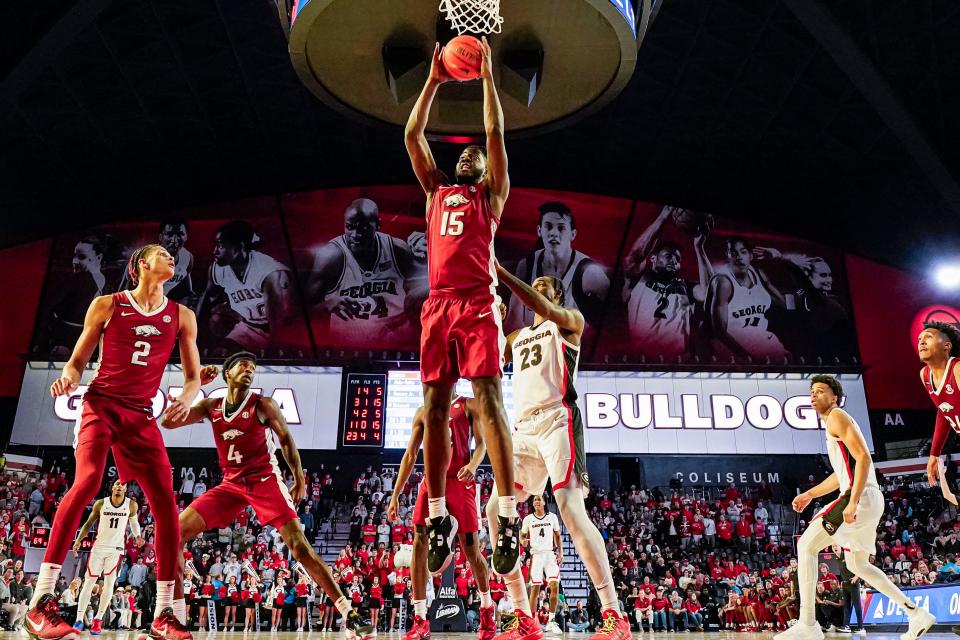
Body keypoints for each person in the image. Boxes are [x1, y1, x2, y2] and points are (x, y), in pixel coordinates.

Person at [27, 243, 201, 640]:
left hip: (141, 415)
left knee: (166, 504)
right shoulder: (108, 304)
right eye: (162, 254)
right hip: (101, 406)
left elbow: (191, 378)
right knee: (88, 481)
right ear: (141, 265)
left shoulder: (183, 316)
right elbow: (77, 359)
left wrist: (186, 400)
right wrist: (70, 377)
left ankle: (163, 615)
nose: (171, 258)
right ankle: (40, 602)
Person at [160, 351, 375, 640]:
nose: (249, 370)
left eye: (253, 367)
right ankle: (176, 618)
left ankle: (349, 613)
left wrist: (299, 479)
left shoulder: (263, 405)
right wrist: (196, 383)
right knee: (173, 532)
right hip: (231, 484)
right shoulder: (212, 405)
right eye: (242, 366)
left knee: (299, 547)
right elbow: (169, 423)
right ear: (227, 374)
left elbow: (286, 440)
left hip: (264, 481)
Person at [404, 36, 518, 576]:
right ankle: (434, 515)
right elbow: (411, 134)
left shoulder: (490, 197)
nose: (471, 152)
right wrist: (432, 80)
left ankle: (511, 513)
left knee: (489, 398)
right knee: (432, 411)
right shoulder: (434, 193)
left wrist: (489, 78)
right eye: (464, 152)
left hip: (475, 304)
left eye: (476, 154)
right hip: (438, 306)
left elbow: (494, 130)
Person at [489, 265, 631, 640]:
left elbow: (540, 305)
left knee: (570, 510)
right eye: (534, 285)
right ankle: (524, 616)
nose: (536, 289)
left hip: (558, 421)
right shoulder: (518, 336)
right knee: (493, 509)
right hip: (524, 429)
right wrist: (492, 313)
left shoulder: (569, 322)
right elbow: (489, 355)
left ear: (556, 296)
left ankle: (615, 614)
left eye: (543, 286)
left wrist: (500, 272)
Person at [775, 375, 935, 640]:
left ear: (834, 396)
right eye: (811, 392)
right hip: (870, 499)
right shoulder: (835, 424)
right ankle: (915, 613)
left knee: (806, 545)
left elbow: (863, 458)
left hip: (859, 497)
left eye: (820, 391)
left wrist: (851, 500)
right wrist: (810, 494)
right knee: (858, 565)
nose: (814, 395)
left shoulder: (837, 416)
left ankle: (808, 624)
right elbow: (842, 473)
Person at [387, 394, 496, 640]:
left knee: (472, 552)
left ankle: (487, 607)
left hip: (460, 480)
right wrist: (395, 494)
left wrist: (474, 465)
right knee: (418, 542)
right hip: (432, 481)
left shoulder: (468, 405)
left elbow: (481, 444)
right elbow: (409, 455)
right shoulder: (423, 411)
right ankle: (420, 618)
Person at [308, 198, 427, 348]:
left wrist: (428, 257)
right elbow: (305, 308)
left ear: (378, 224)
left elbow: (427, 290)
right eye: (349, 227)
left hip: (397, 347)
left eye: (363, 228)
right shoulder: (331, 255)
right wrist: (328, 304)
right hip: (349, 352)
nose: (355, 234)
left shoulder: (398, 250)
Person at [621, 206, 713, 358]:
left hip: (678, 362)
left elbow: (710, 293)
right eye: (669, 256)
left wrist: (699, 248)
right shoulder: (639, 278)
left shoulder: (685, 286)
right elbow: (634, 257)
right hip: (643, 361)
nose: (674, 261)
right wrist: (663, 217)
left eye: (678, 259)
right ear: (653, 258)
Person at [505, 202, 609, 331]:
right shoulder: (526, 265)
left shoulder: (590, 272)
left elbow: (613, 323)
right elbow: (513, 319)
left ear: (573, 234)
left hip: (571, 347)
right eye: (548, 226)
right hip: (534, 346)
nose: (554, 233)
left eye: (561, 228)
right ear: (539, 230)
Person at [196, 220, 294, 351]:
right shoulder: (218, 269)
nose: (215, 251)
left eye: (220, 246)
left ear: (237, 248)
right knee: (220, 354)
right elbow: (207, 298)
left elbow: (277, 321)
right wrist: (192, 333)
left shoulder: (267, 271)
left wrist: (272, 350)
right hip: (251, 326)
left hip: (287, 330)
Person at [71, 480, 142, 635]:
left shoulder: (131, 505)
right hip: (98, 547)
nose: (119, 486)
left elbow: (135, 523)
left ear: (125, 489)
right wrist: (78, 541)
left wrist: (137, 536)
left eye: (122, 484)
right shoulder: (101, 504)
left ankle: (98, 619)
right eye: (116, 483)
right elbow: (88, 523)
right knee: (88, 583)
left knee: (109, 584)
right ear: (112, 487)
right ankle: (79, 619)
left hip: (115, 550)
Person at [708, 236, 787, 360]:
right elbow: (719, 332)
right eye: (733, 253)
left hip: (761, 340)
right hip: (733, 346)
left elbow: (784, 304)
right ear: (727, 256)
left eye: (743, 252)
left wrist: (778, 259)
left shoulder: (759, 274)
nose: (739, 257)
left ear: (751, 255)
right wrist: (748, 358)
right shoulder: (724, 282)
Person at [916, 321, 960, 486]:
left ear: (946, 346)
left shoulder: (957, 369)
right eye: (920, 338)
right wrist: (934, 454)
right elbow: (944, 410)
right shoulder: (925, 375)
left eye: (929, 337)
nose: (921, 341)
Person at [520, 495, 562, 635]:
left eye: (539, 499)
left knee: (555, 586)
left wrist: (560, 553)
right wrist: (522, 541)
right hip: (536, 555)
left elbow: (557, 535)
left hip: (550, 554)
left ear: (544, 502)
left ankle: (551, 621)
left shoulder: (552, 517)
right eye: (534, 500)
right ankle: (531, 622)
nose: (536, 502)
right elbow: (522, 535)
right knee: (535, 590)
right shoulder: (528, 519)